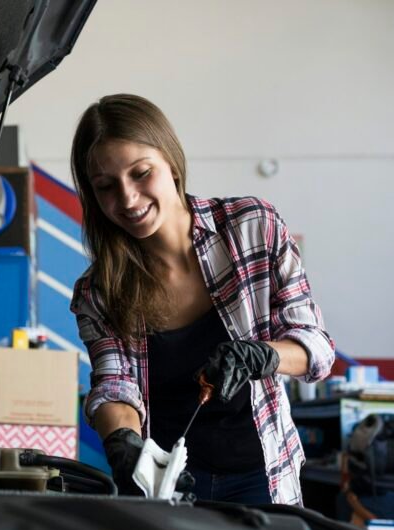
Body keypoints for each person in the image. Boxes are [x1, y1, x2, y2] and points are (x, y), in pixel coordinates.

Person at [69, 94, 335, 505]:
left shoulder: (252, 228)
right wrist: (121, 441)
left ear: (171, 164)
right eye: (106, 187)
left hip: (262, 476)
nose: (127, 199)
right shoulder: (99, 291)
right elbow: (114, 383)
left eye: (141, 173)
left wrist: (261, 355)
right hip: (165, 487)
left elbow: (316, 348)